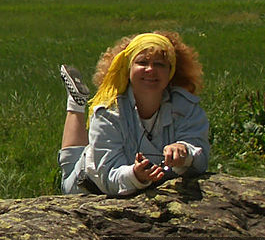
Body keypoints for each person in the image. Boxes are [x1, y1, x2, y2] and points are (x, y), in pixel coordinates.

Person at [58, 31, 209, 196]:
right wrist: (135, 176)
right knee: (68, 179)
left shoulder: (186, 107)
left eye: (160, 64)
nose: (151, 70)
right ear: (128, 68)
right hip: (89, 180)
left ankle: (77, 101)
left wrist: (185, 153)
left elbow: (201, 157)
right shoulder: (109, 111)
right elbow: (108, 174)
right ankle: (76, 103)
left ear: (171, 71)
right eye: (142, 63)